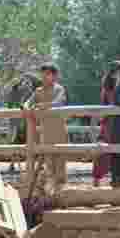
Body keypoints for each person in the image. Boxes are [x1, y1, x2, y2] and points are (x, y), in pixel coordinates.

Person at [23, 63, 69, 194]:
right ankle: (49, 193)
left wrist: (43, 105)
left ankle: (62, 193)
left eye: (47, 74)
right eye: (42, 74)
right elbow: (28, 102)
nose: (44, 77)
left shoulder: (59, 89)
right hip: (45, 132)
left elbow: (58, 102)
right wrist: (26, 108)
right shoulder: (38, 91)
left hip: (59, 131)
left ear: (55, 76)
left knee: (60, 162)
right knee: (48, 163)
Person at [92, 62, 119, 187]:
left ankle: (97, 179)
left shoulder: (106, 85)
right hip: (115, 122)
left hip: (107, 122)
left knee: (103, 151)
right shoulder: (116, 86)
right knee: (114, 150)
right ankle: (116, 178)